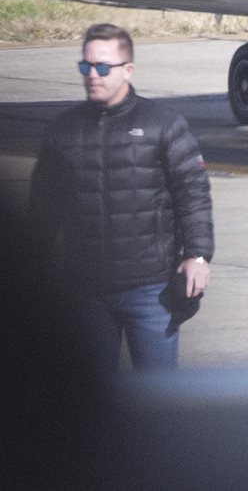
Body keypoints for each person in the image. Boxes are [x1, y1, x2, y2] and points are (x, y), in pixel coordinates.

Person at [28, 23, 213, 370]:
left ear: (128, 70)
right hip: (85, 291)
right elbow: (43, 208)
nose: (92, 75)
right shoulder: (63, 131)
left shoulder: (164, 124)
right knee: (92, 404)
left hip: (151, 291)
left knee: (157, 398)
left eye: (101, 67)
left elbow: (193, 192)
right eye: (85, 67)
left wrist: (198, 255)